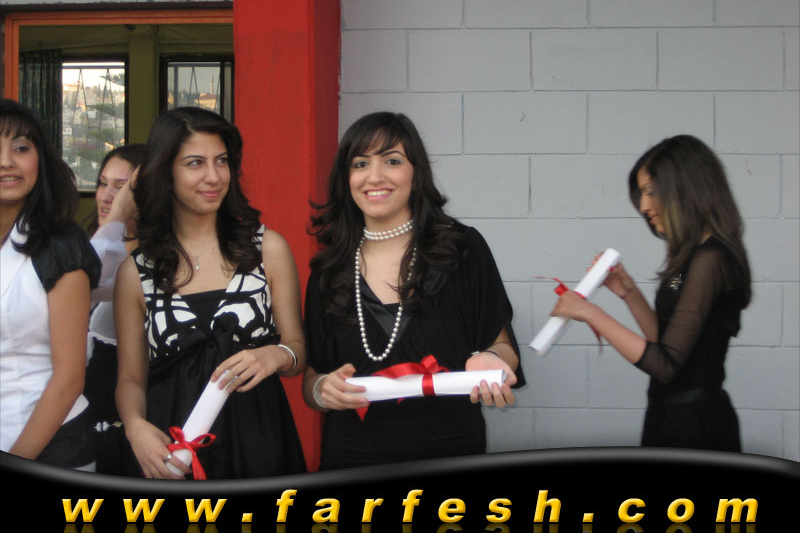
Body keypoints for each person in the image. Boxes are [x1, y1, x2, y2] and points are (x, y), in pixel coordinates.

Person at [302, 111, 525, 470]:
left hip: (450, 450)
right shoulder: (329, 270)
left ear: (417, 174)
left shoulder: (461, 249)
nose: (375, 176)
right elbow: (313, 380)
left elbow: (503, 347)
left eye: (392, 161)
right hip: (351, 457)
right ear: (346, 178)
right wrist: (322, 390)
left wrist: (492, 359)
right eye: (361, 163)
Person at [114, 107, 306, 479]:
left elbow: (298, 350)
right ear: (166, 172)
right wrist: (135, 428)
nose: (214, 176)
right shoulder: (136, 273)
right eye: (195, 163)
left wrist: (276, 354)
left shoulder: (267, 249)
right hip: (172, 452)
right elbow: (130, 379)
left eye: (221, 161)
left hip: (260, 442)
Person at [550, 135, 750, 451]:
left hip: (696, 427)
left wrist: (589, 313)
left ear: (685, 188)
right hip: (669, 417)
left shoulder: (711, 259)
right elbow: (667, 340)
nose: (644, 206)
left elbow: (665, 365)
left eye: (651, 192)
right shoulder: (691, 256)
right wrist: (629, 293)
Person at [0, 99, 101, 469]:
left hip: (52, 445)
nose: (6, 161)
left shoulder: (60, 245)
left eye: (20, 148)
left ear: (39, 159)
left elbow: (69, 379)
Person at [84, 144, 145, 474]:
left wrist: (118, 215)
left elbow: (93, 278)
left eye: (121, 188)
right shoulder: (83, 246)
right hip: (77, 418)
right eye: (102, 183)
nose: (107, 196)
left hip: (124, 427)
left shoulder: (153, 260)